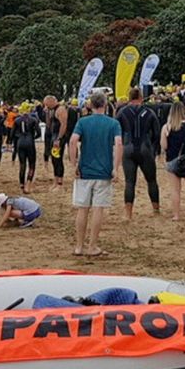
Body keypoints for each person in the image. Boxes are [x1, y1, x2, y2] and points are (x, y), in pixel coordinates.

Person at [68, 91, 122, 257]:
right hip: (104, 171)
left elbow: (72, 141)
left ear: (90, 105)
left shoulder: (83, 122)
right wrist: (116, 168)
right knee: (98, 209)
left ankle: (78, 246)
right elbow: (119, 144)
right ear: (105, 105)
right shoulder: (113, 123)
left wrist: (73, 163)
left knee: (82, 209)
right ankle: (92, 246)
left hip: (85, 170)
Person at [116, 87, 160, 219]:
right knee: (151, 180)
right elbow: (156, 134)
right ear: (141, 97)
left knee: (129, 182)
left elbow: (117, 132)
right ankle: (156, 209)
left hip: (128, 148)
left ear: (129, 98)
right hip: (145, 148)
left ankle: (128, 213)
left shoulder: (122, 112)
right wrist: (153, 149)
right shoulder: (149, 112)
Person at [12, 102, 40, 193]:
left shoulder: (17, 120)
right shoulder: (33, 119)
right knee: (32, 164)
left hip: (20, 142)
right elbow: (39, 133)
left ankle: (21, 184)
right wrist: (33, 137)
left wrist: (17, 139)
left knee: (22, 164)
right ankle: (28, 184)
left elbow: (12, 134)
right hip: (30, 142)